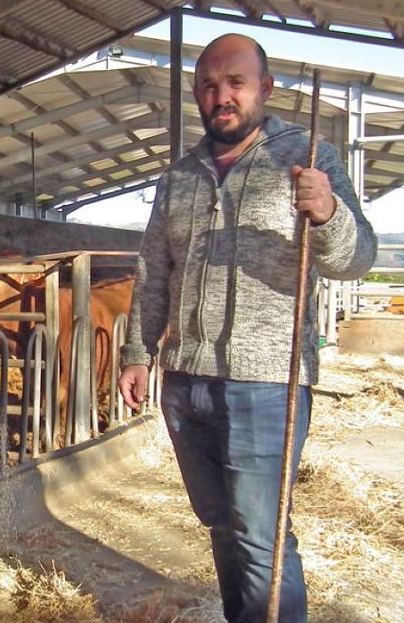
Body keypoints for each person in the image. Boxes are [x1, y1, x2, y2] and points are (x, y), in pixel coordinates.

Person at [117, 33, 376, 623]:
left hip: (266, 382)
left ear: (266, 88)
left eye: (235, 82)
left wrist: (328, 213)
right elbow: (154, 270)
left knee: (261, 537)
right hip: (186, 381)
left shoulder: (309, 157)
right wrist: (137, 352)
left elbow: (357, 258)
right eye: (209, 86)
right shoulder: (179, 177)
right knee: (219, 524)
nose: (222, 96)